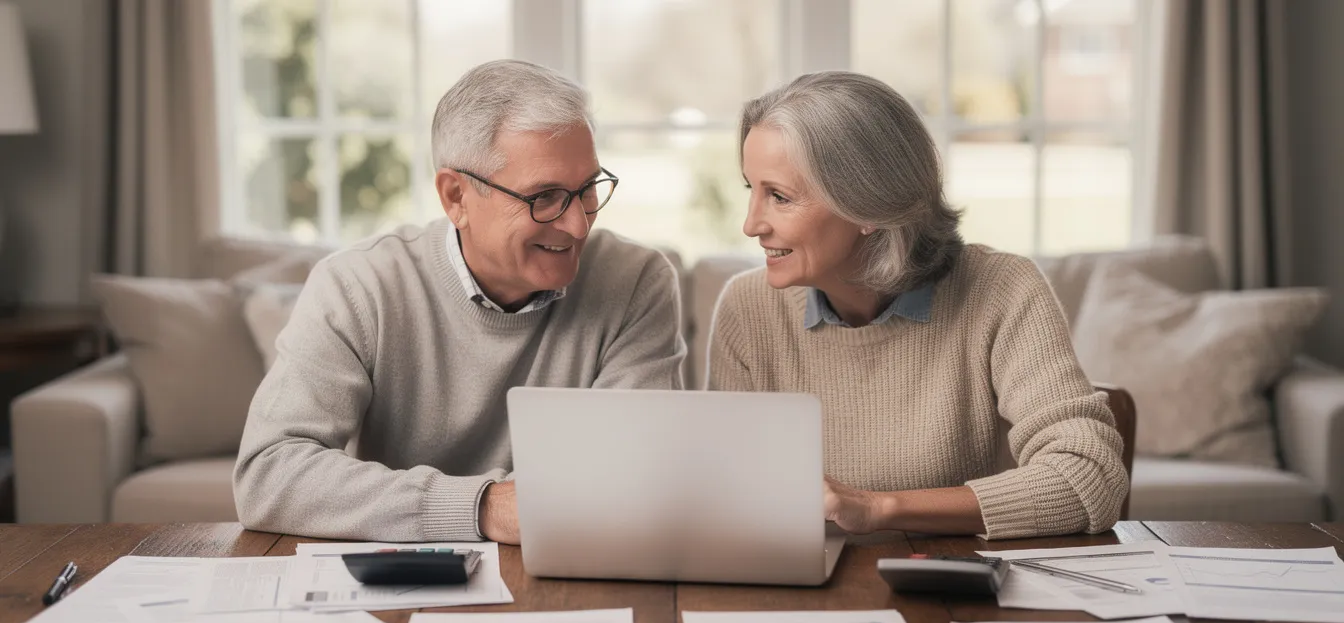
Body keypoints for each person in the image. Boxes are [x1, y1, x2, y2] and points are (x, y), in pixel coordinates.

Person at [235, 60, 686, 545]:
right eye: (546, 196)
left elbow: (643, 479)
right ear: (456, 198)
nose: (578, 224)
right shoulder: (357, 286)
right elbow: (268, 473)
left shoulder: (636, 281)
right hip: (407, 583)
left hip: (570, 572)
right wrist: (483, 507)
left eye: (588, 189)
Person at [707, 71, 1126, 540]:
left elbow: (1089, 478)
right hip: (799, 591)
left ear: (867, 205)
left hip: (952, 589)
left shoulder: (1001, 290)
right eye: (752, 190)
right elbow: (725, 495)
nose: (750, 225)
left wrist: (878, 509)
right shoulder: (747, 309)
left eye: (779, 197)